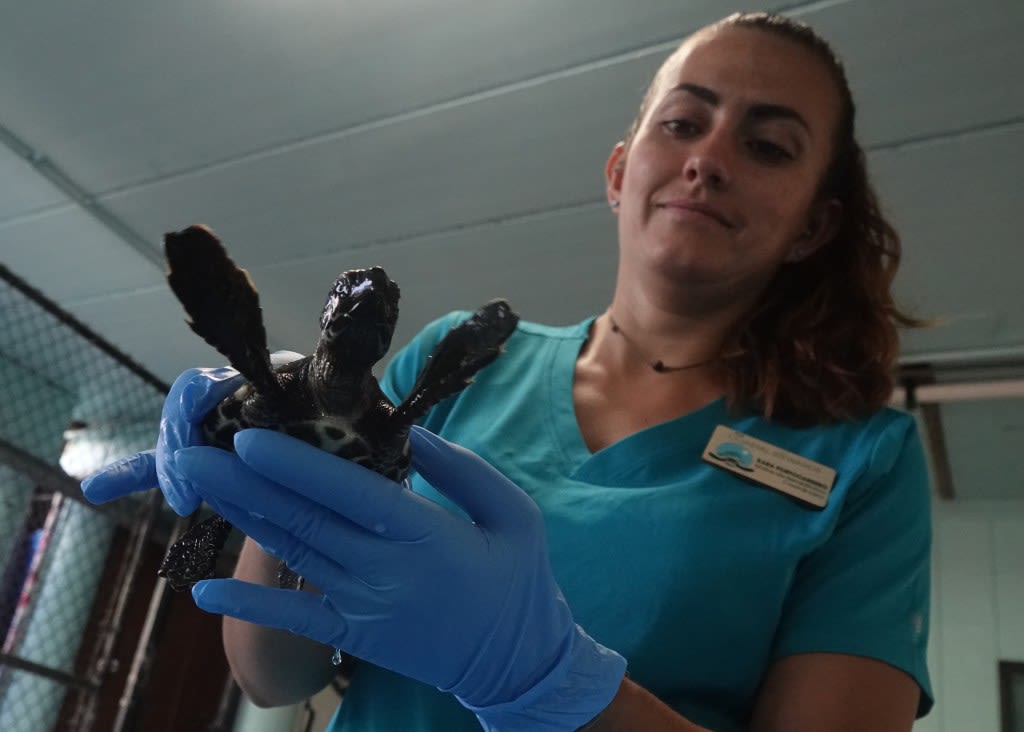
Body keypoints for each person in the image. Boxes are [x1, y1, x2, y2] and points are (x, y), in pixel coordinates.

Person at [83, 11, 933, 732]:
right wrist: (282, 453)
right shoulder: (465, 366)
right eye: (682, 123)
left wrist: (550, 681)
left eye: (769, 145)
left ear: (815, 228)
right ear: (618, 170)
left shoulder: (865, 458)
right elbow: (276, 674)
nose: (708, 159)